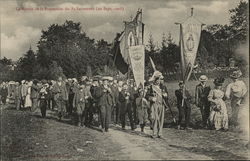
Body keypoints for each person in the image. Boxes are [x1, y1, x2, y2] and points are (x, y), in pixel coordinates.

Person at [146, 71, 165, 138]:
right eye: (157, 79)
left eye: (160, 79)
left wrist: (165, 95)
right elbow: (147, 96)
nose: (159, 81)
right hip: (154, 104)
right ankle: (154, 132)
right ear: (155, 80)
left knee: (161, 119)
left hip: (161, 104)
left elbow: (165, 95)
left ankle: (160, 133)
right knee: (154, 118)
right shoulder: (151, 87)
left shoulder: (163, 87)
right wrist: (151, 98)